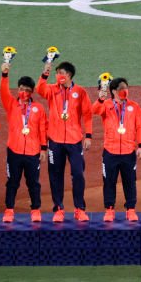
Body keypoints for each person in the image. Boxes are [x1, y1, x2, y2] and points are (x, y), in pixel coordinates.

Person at [36, 60, 93, 222]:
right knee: (55, 175)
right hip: (55, 140)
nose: (58, 76)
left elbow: (87, 114)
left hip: (74, 140)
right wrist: (44, 73)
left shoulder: (80, 92)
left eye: (60, 73)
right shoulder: (52, 89)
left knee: (78, 174)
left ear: (68, 75)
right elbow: (39, 89)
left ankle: (79, 209)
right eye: (56, 73)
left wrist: (88, 135)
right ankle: (59, 209)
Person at [0, 61, 48, 222]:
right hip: (14, 151)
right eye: (21, 89)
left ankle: (35, 209)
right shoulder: (11, 103)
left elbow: (43, 128)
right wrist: (4, 75)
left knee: (33, 183)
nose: (24, 92)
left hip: (33, 152)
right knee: (12, 182)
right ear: (18, 89)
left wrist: (43, 149)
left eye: (27, 90)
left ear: (32, 91)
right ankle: (9, 210)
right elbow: (3, 90)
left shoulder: (38, 108)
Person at [93, 77, 141, 222]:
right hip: (110, 152)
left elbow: (140, 126)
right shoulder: (107, 105)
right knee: (109, 182)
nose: (125, 91)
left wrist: (140, 145)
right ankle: (109, 210)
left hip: (129, 152)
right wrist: (100, 99)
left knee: (130, 182)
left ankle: (131, 209)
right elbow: (94, 110)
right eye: (121, 88)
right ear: (114, 91)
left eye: (126, 88)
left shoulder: (134, 106)